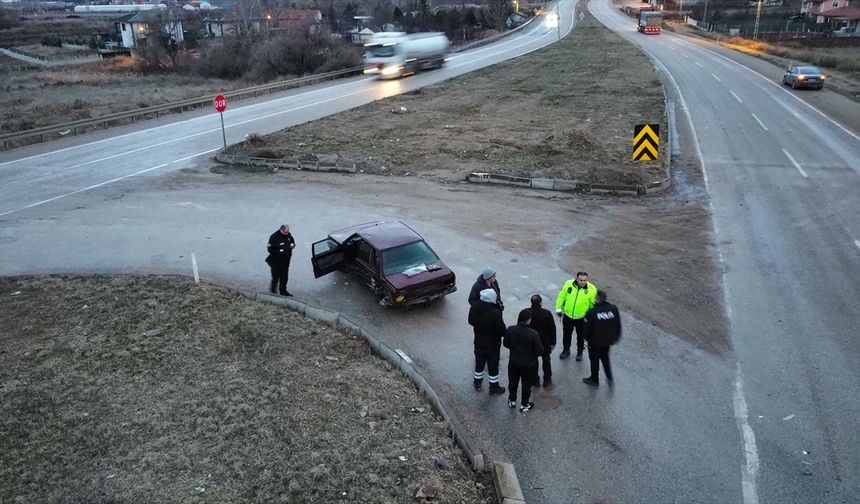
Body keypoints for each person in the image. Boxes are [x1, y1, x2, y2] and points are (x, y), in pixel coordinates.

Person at [504, 308, 544, 413]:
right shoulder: (534, 334)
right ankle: (524, 404)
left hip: (514, 362)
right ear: (529, 320)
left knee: (513, 382)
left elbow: (505, 344)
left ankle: (512, 400)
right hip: (529, 364)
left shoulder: (511, 329)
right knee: (526, 385)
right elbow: (539, 351)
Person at [468, 289, 507, 395]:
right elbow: (502, 330)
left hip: (479, 341)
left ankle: (477, 383)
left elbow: (470, 321)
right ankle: (494, 387)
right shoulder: (495, 312)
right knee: (493, 366)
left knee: (479, 363)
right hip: (492, 344)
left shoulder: (474, 307)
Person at [582, 290, 621, 387]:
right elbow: (617, 324)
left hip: (594, 342)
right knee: (605, 359)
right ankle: (609, 378)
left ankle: (594, 379)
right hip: (607, 341)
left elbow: (587, 329)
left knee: (594, 360)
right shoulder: (613, 309)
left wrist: (586, 339)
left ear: (596, 299)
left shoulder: (591, 312)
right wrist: (615, 337)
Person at [555, 271, 597, 361]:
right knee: (566, 335)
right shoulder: (568, 284)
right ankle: (566, 350)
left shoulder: (592, 289)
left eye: (585, 280)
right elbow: (562, 296)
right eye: (581, 280)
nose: (583, 282)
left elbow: (592, 305)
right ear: (576, 279)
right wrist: (558, 308)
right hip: (567, 316)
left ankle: (580, 353)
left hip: (582, 318)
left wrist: (590, 317)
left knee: (581, 337)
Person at [528, 294, 557, 387]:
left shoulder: (526, 313)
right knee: (546, 360)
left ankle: (535, 380)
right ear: (541, 302)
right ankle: (547, 379)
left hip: (532, 343)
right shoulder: (547, 313)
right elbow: (552, 329)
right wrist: (553, 342)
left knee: (533, 361)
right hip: (545, 342)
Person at [266, 224, 296, 296]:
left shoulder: (288, 235)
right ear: (281, 230)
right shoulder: (274, 237)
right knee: (275, 277)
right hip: (276, 261)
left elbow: (292, 241)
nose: (287, 233)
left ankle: (283, 291)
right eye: (285, 232)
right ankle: (273, 291)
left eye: (288, 232)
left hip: (286, 261)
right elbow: (270, 249)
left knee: (284, 277)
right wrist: (280, 251)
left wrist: (292, 245)